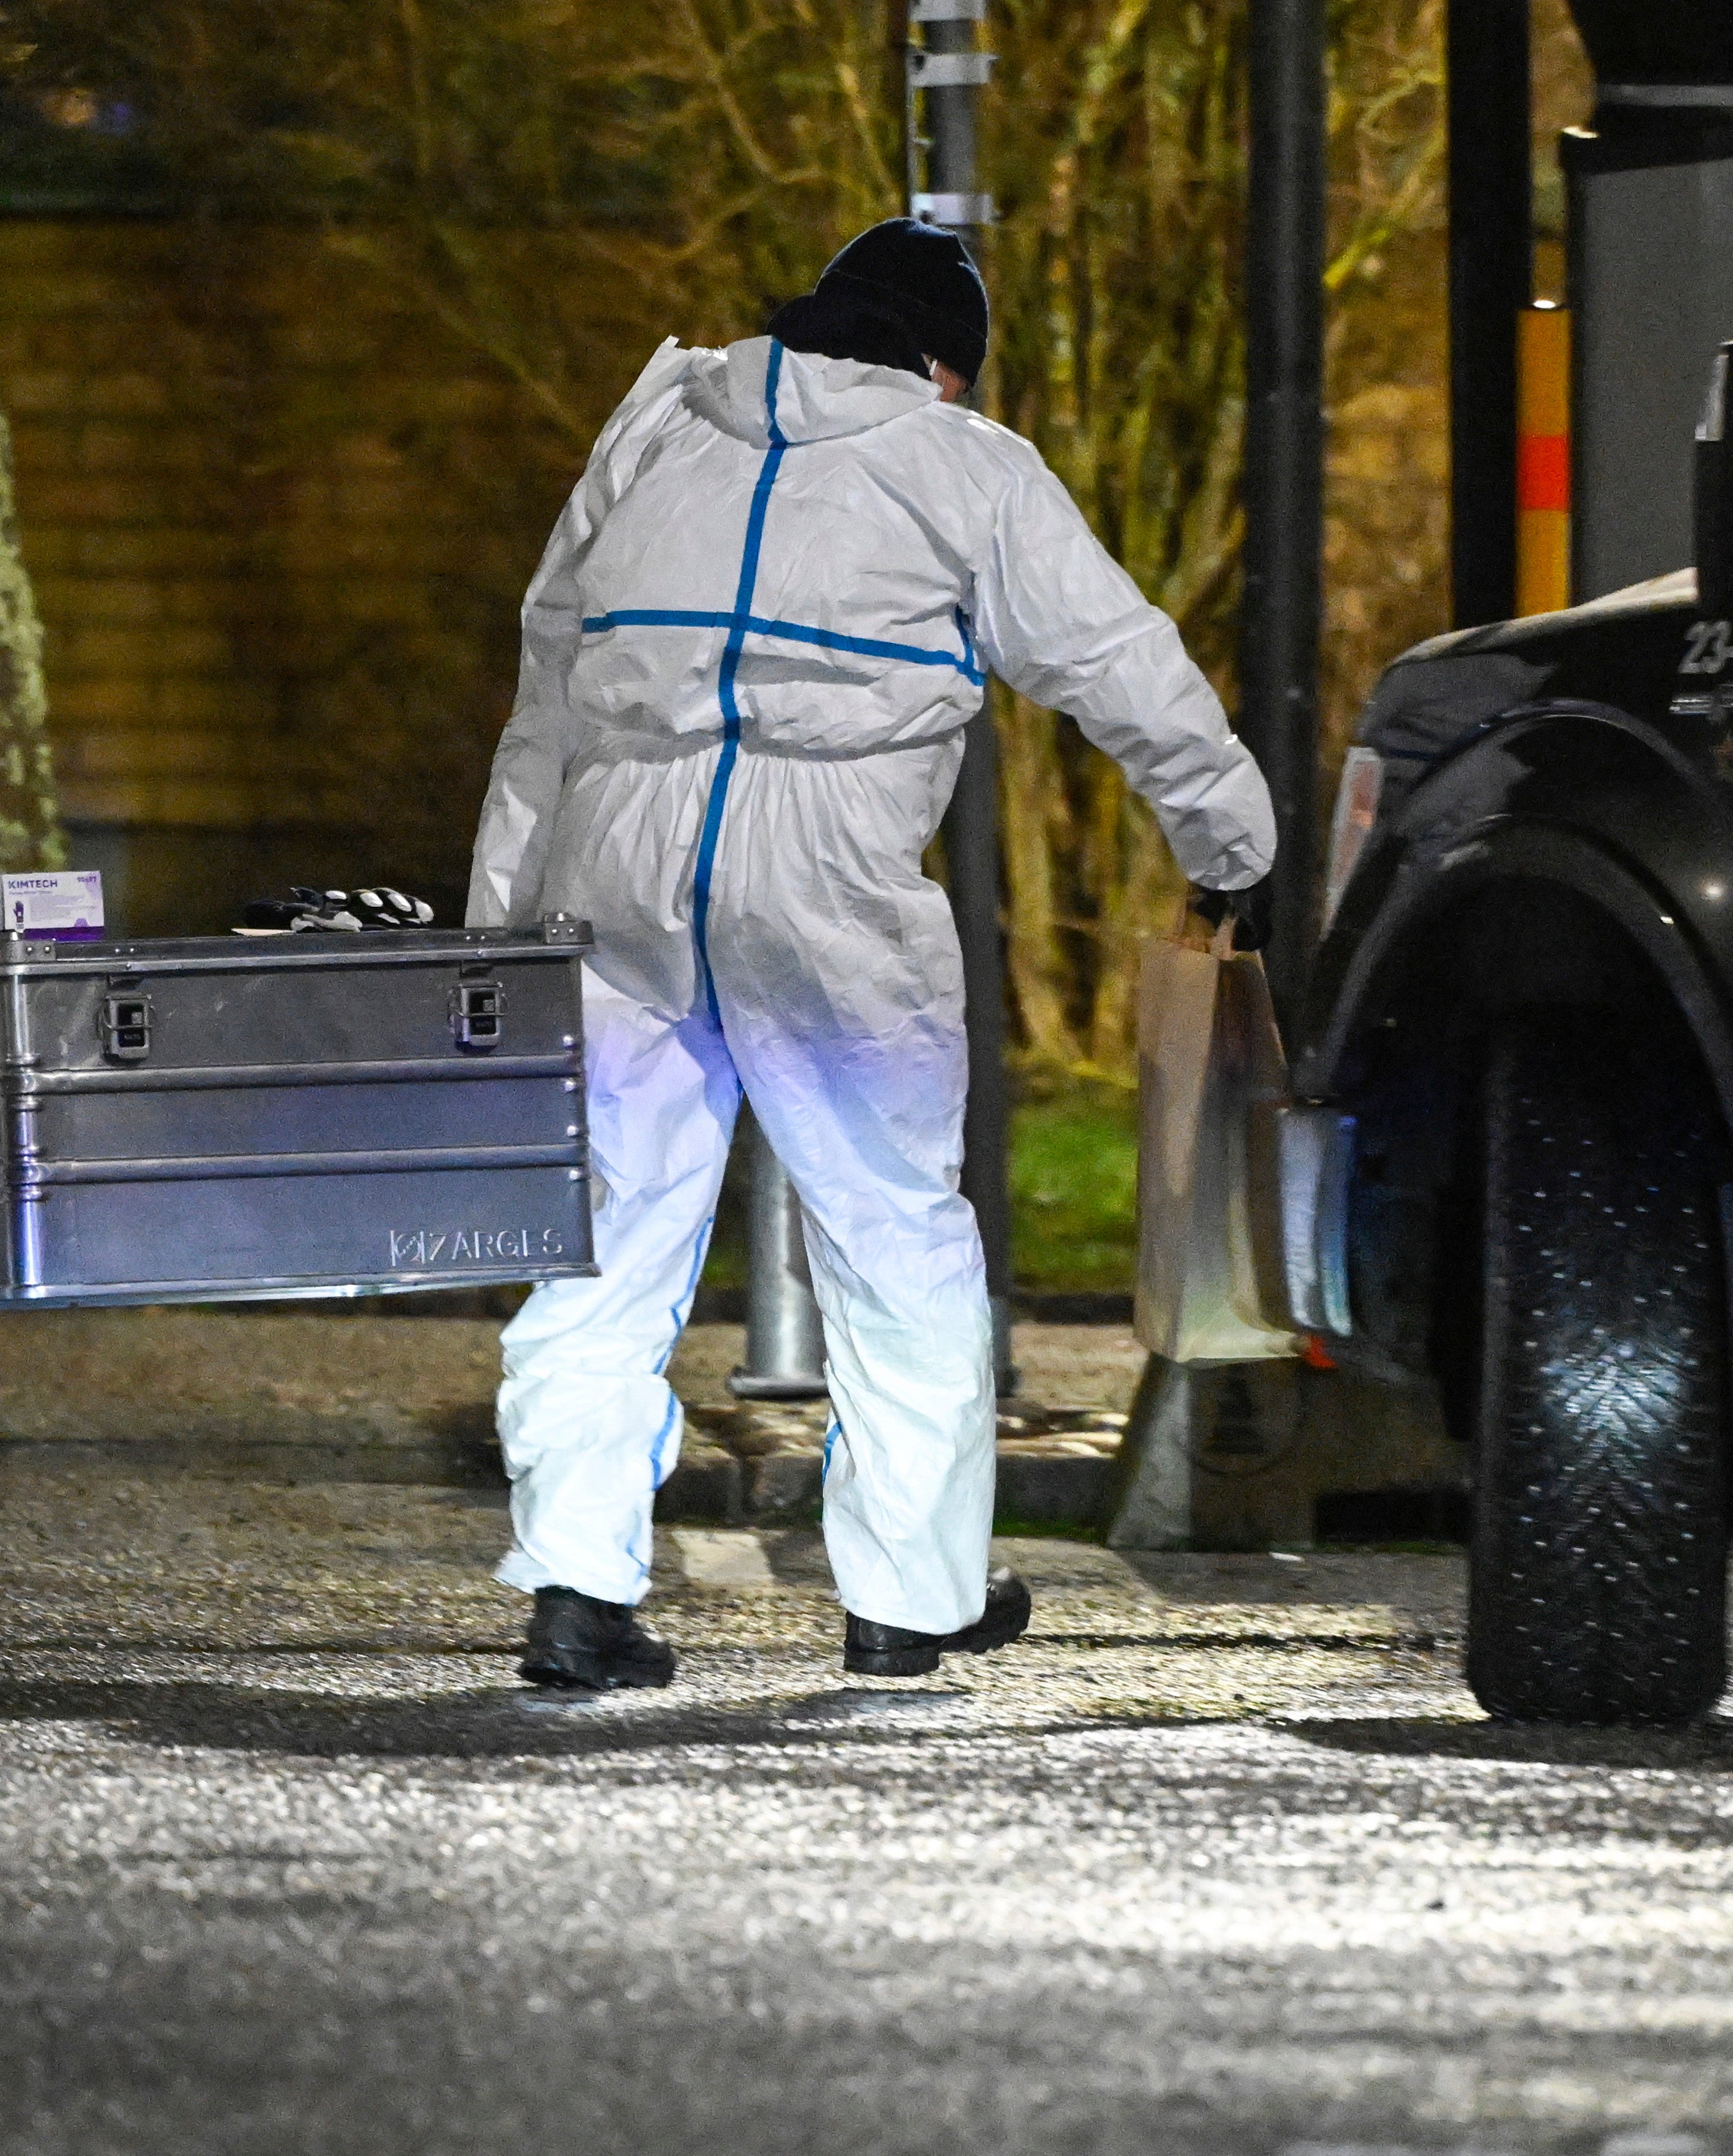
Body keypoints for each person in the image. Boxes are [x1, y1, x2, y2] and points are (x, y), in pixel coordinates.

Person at [466, 218, 1274, 1690]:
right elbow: (1119, 664)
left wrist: (500, 923)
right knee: (893, 1228)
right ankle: (907, 1593)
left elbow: (547, 671)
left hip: (617, 856)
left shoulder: (658, 427)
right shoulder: (966, 464)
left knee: (606, 1226)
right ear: (942, 364)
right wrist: (1236, 847)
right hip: (825, 875)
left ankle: (577, 1588)